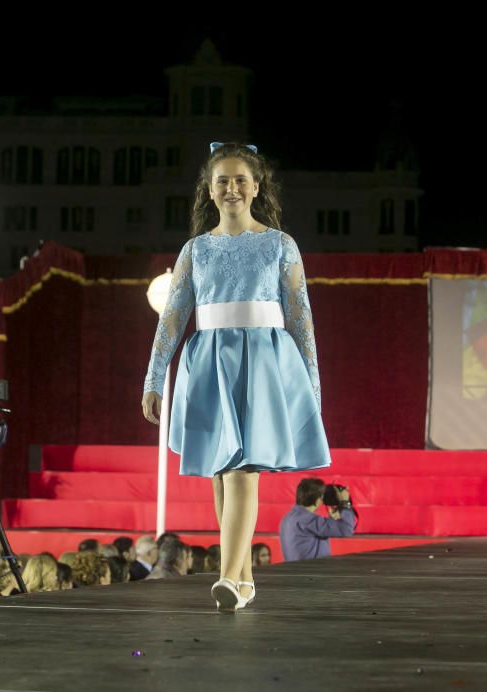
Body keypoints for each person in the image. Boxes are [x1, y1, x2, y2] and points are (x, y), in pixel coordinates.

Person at [141, 141, 331, 612]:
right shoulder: (195, 250)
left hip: (265, 362)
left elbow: (300, 316)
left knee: (245, 469)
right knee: (222, 474)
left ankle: (227, 577)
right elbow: (171, 318)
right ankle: (243, 581)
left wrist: (312, 383)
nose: (231, 188)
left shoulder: (280, 244)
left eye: (240, 179)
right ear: (208, 189)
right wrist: (152, 379)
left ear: (257, 185)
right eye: (222, 180)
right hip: (207, 362)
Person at [279, 479, 356, 562]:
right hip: (310, 572)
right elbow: (346, 529)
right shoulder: (307, 520)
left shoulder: (287, 518)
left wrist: (331, 520)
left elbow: (311, 541)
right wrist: (345, 503)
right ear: (318, 499)